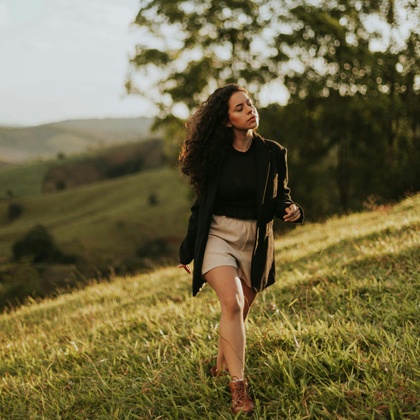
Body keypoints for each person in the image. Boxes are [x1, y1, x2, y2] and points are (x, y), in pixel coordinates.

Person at [177, 84, 303, 415]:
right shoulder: (216, 157)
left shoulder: (273, 152)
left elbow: (281, 196)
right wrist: (188, 251)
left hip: (256, 241)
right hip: (219, 234)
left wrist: (292, 210)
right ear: (226, 120)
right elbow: (201, 207)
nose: (250, 109)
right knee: (231, 304)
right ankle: (238, 389)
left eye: (249, 104)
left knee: (239, 312)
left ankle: (220, 364)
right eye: (239, 108)